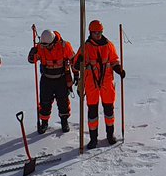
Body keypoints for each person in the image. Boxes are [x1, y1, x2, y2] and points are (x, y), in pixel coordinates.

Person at [75, 19, 125, 148]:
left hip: (107, 83)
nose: (97, 35)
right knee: (92, 112)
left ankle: (110, 135)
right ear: (90, 32)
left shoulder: (109, 45)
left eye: (99, 32)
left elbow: (114, 60)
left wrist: (118, 69)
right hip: (91, 83)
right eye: (95, 32)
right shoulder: (85, 47)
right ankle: (93, 139)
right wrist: (79, 61)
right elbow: (76, 66)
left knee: (109, 110)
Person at [28, 29, 75, 134]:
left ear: (54, 42)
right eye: (44, 46)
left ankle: (64, 121)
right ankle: (44, 123)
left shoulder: (64, 46)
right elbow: (32, 60)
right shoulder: (40, 47)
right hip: (46, 79)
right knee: (45, 102)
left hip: (61, 79)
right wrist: (32, 54)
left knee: (63, 101)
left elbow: (73, 60)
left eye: (48, 45)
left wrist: (75, 75)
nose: (46, 48)